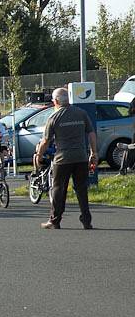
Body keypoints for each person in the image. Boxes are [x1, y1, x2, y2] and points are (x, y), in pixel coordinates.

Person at [37, 87, 97, 229]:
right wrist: (94, 153)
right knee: (81, 189)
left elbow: (46, 141)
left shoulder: (54, 117)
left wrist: (39, 155)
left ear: (56, 101)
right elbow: (91, 133)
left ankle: (55, 220)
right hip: (81, 157)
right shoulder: (81, 113)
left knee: (59, 188)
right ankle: (86, 220)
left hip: (62, 158)